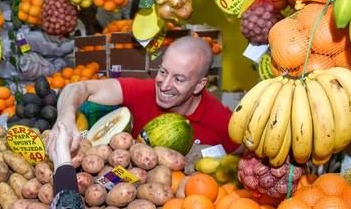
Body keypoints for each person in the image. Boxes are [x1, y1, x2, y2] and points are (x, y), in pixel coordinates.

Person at [55, 35, 238, 153]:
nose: (164, 86)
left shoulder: (222, 120)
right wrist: (66, 118)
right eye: (163, 72)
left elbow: (244, 157)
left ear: (199, 85)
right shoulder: (143, 91)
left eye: (179, 79)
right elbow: (77, 88)